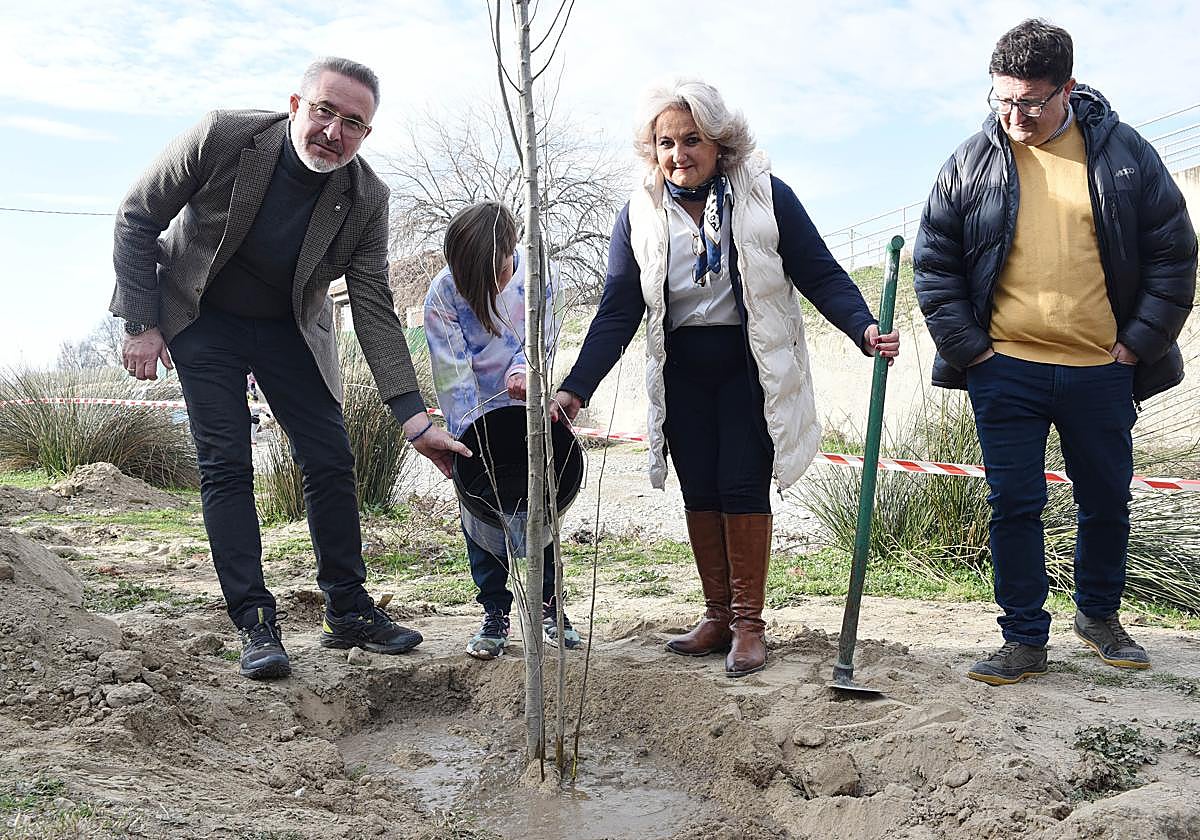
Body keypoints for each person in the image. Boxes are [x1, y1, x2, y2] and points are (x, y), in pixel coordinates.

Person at [111, 56, 471, 680]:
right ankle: (255, 620)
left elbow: (375, 308)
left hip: (289, 327)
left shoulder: (365, 197)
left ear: (366, 133)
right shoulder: (224, 137)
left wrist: (414, 419)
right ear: (296, 105)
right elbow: (137, 214)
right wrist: (141, 322)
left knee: (331, 457)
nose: (335, 133)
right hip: (202, 317)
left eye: (354, 123)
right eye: (326, 111)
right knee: (226, 462)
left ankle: (349, 610)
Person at [553, 78, 899, 678]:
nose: (678, 154)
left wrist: (862, 328)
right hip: (681, 369)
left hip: (749, 365)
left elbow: (818, 270)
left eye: (693, 140)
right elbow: (617, 308)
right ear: (651, 148)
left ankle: (748, 623)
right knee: (701, 490)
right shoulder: (639, 211)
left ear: (720, 143)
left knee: (742, 485)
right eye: (666, 142)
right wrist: (576, 387)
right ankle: (715, 614)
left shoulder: (765, 194)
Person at [913, 19, 1196, 686]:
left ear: (1067, 88)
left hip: (1102, 368)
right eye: (1002, 99)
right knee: (1013, 504)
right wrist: (972, 352)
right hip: (1002, 368)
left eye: (1032, 102)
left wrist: (1136, 347)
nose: (1015, 116)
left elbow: (1174, 257)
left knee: (1105, 501)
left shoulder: (1125, 157)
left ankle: (1098, 617)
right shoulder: (969, 163)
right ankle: (1023, 640)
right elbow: (935, 265)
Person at [424, 202, 582, 659]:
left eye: (493, 271)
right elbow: (453, 373)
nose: (485, 284)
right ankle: (494, 613)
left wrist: (524, 370)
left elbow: (542, 337)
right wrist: (476, 440)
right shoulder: (443, 295)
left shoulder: (536, 277)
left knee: (541, 516)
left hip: (528, 413)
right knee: (481, 521)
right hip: (473, 424)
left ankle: (552, 608)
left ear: (511, 252)